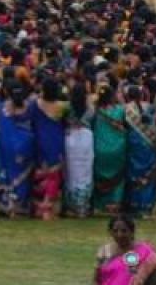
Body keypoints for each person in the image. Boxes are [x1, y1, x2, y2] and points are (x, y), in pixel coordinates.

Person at [0, 81, 36, 218]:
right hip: (26, 146)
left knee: (8, 174)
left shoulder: (1, 108)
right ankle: (21, 205)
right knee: (24, 177)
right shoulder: (30, 107)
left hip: (7, 146)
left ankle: (8, 205)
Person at [31, 81, 67, 221]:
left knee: (40, 173)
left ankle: (38, 206)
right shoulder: (61, 107)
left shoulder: (35, 104)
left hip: (39, 139)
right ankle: (47, 207)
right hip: (56, 140)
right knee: (54, 175)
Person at [95, 215, 156, 285]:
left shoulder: (145, 251)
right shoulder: (104, 251)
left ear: (132, 232)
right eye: (115, 231)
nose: (119, 235)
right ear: (110, 232)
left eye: (124, 231)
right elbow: (99, 278)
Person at [124, 85, 156, 219]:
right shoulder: (149, 107)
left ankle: (134, 206)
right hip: (149, 145)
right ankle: (146, 207)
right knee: (148, 175)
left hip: (133, 144)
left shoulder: (126, 109)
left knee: (134, 174)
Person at [93, 86, 128, 216]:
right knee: (118, 177)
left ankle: (101, 204)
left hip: (99, 148)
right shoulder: (120, 110)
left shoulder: (95, 111)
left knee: (99, 176)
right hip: (118, 148)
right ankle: (115, 203)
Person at [63, 84, 95, 218]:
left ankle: (71, 206)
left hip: (71, 138)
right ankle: (82, 206)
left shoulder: (67, 108)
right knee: (85, 172)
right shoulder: (90, 109)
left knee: (71, 171)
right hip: (86, 138)